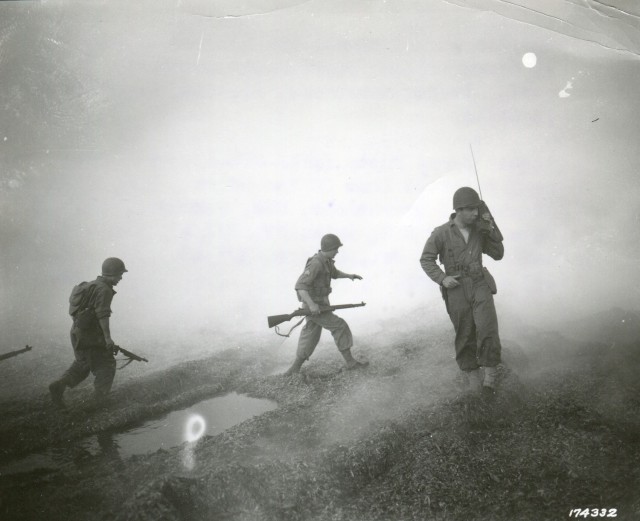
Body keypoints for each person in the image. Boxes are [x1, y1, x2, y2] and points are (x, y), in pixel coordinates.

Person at [420, 187, 504, 397]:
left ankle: (490, 380)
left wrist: (491, 228)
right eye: (471, 210)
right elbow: (426, 259)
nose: (475, 213)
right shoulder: (441, 232)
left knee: (488, 328)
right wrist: (442, 278)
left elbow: (498, 254)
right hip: (456, 288)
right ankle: (473, 379)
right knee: (465, 333)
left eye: (477, 209)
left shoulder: (480, 229)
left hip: (479, 283)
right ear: (458, 210)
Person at [48, 257, 128, 409]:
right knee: (106, 365)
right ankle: (99, 402)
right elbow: (102, 315)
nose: (120, 278)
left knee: (83, 364)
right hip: (90, 335)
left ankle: (59, 385)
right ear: (111, 274)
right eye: (119, 274)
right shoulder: (104, 290)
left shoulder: (88, 286)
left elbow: (74, 310)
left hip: (77, 332)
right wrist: (107, 338)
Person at [284, 234, 369, 375]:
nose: (337, 251)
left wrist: (349, 276)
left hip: (320, 305)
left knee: (311, 335)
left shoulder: (327, 261)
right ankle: (350, 363)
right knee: (340, 326)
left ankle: (294, 369)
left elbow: (334, 273)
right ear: (329, 248)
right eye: (336, 248)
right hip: (315, 307)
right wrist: (311, 305)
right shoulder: (317, 263)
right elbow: (300, 286)